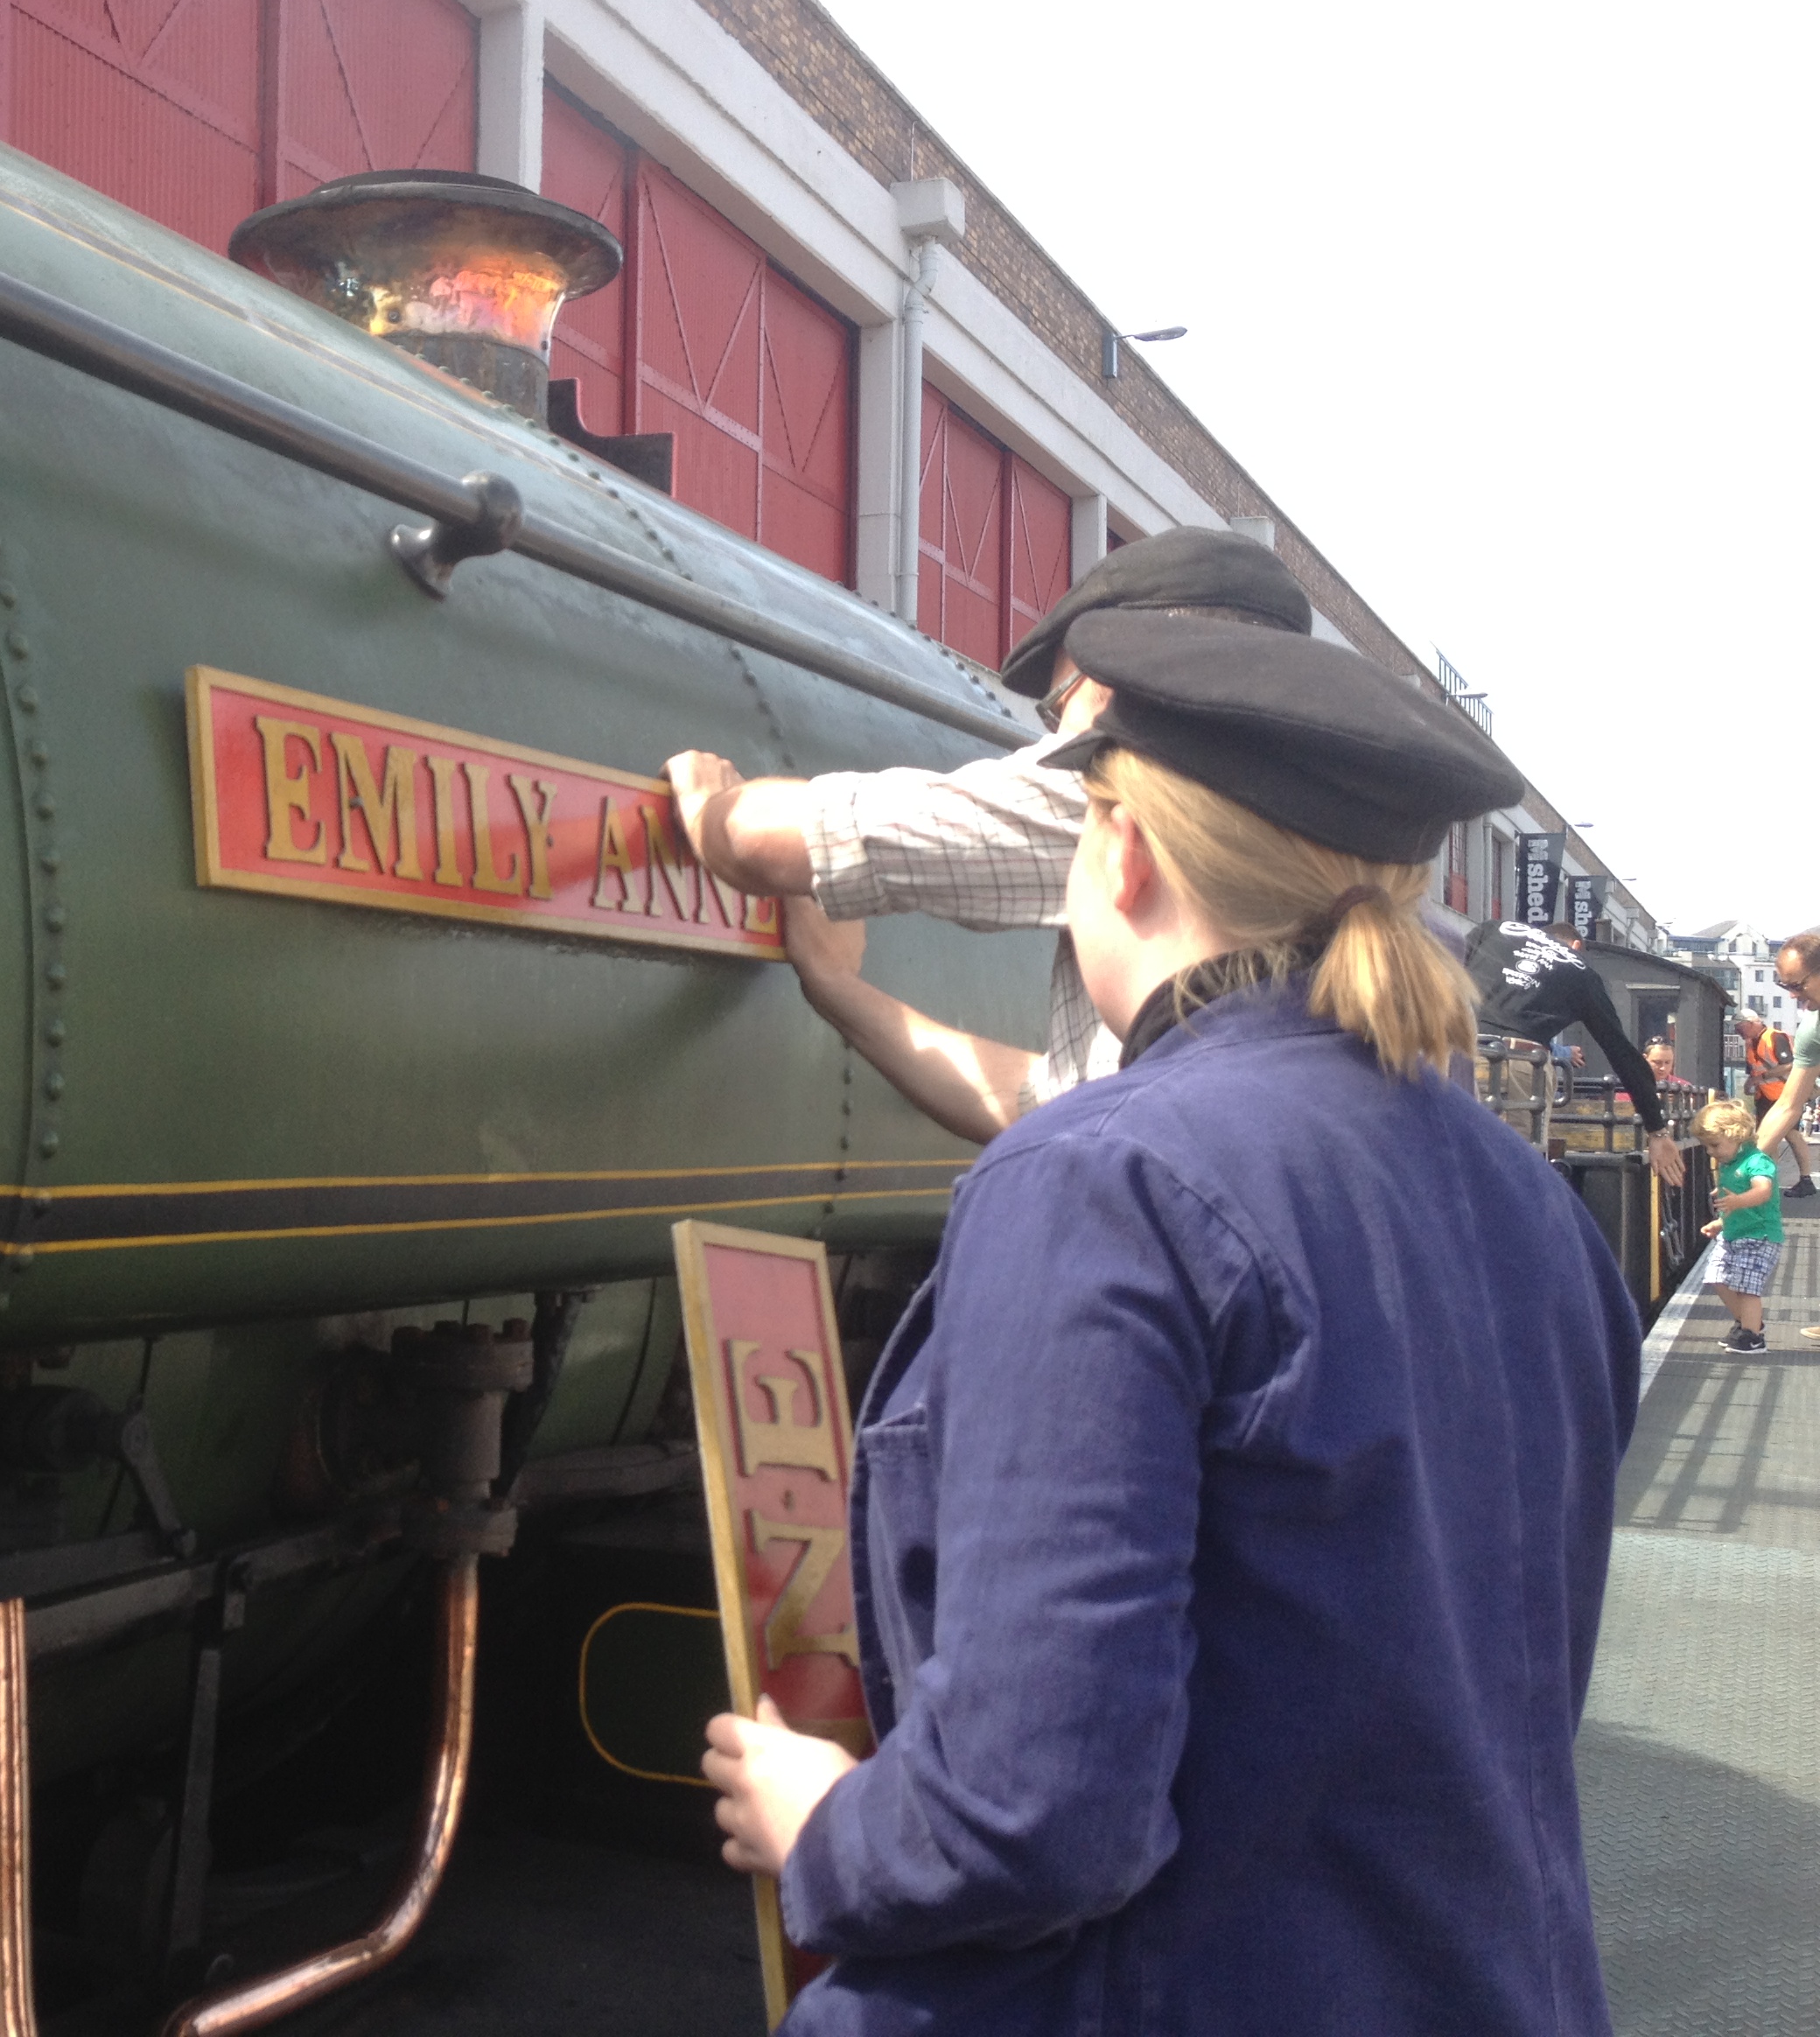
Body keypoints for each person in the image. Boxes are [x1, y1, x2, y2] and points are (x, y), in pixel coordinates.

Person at [698, 611, 1637, 2034]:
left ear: (1122, 848)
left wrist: (829, 1829)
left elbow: (1033, 1813)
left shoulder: (1096, 1181)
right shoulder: (1537, 1210)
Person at [667, 528, 1313, 1139]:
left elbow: (783, 839)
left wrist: (709, 810)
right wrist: (839, 991)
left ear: (1105, 685)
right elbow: (1057, 1101)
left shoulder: (1116, 786)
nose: (1050, 742)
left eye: (1057, 710)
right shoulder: (1313, 825)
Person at [1465, 918, 1684, 1185]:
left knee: (1451, 1150)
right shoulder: (1581, 971)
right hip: (1521, 1063)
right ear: (1577, 946)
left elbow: (1443, 971)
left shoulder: (1496, 929)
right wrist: (1657, 1130)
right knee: (1515, 1172)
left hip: (1459, 1049)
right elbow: (1620, 1051)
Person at [1692, 1097, 1784, 1354]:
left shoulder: (1757, 1161)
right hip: (1734, 1234)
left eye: (1714, 1145)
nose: (1710, 1152)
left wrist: (1737, 1201)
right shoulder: (1729, 1164)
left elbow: (1763, 1191)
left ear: (1737, 1135)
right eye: (1706, 1146)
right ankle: (1748, 1323)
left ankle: (1753, 1337)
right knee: (1716, 1277)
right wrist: (1721, 1223)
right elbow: (1734, 1205)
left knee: (1747, 1288)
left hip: (1760, 1236)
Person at [1758, 932, 1820, 1200]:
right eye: (1786, 987)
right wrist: (1744, 1167)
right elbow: (1787, 1105)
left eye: (1797, 985)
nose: (1793, 995)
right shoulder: (1812, 1030)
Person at [1740, 1012, 1814, 1194]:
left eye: (1738, 1027)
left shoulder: (1774, 1037)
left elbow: (1789, 1064)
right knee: (1767, 1136)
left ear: (1750, 1023)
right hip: (1764, 1097)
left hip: (1784, 1095)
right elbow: (1754, 1071)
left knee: (1791, 1134)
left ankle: (1805, 1179)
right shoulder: (1750, 1043)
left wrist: (1761, 1078)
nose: (1737, 1032)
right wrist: (1751, 1083)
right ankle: (1769, 1180)